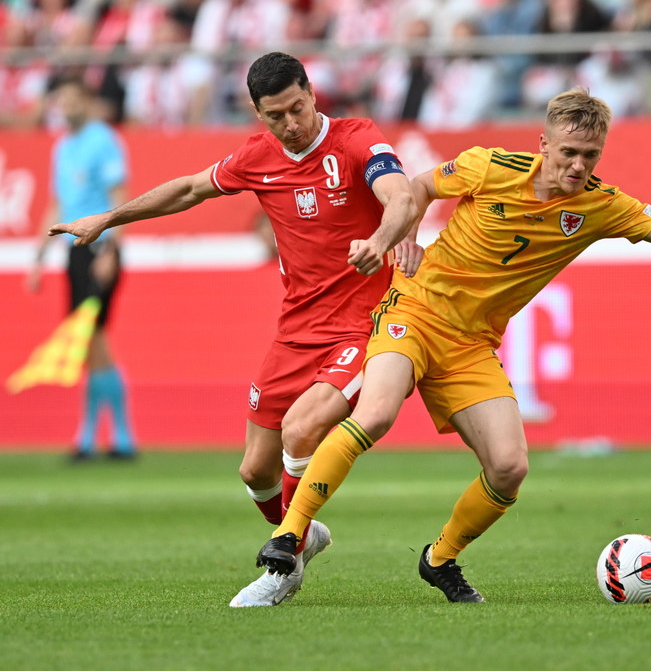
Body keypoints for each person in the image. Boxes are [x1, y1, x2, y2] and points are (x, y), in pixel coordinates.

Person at [254, 87, 651, 602]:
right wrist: (405, 234)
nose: (578, 166)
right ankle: (290, 534)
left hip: (471, 346)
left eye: (590, 155)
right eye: (568, 153)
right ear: (544, 144)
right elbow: (418, 188)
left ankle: (439, 559)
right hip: (415, 311)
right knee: (376, 412)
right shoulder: (489, 167)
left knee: (510, 467)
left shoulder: (602, 206)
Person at [47, 52, 419, 606]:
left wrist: (382, 240)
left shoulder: (356, 138)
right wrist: (108, 218)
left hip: (363, 325)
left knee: (300, 430)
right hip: (295, 329)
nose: (291, 124)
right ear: (257, 112)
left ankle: (284, 559)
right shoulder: (258, 157)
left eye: (297, 108)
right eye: (276, 116)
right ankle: (303, 530)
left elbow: (401, 195)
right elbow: (190, 189)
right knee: (254, 471)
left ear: (311, 92)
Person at [28, 74, 137, 462]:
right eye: (61, 99)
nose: (66, 106)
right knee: (89, 341)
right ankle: (101, 436)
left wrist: (111, 250)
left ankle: (110, 435)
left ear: (86, 103)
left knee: (94, 337)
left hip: (98, 246)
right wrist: (40, 256)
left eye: (74, 99)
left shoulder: (103, 141)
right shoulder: (62, 147)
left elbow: (119, 199)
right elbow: (57, 204)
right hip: (74, 252)